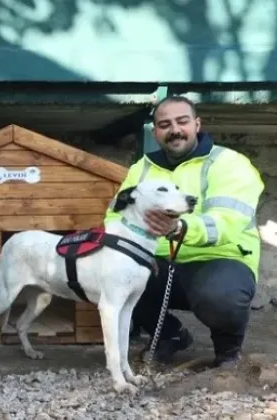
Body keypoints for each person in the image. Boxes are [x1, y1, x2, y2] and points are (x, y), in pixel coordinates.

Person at [104, 95, 263, 368]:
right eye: (164, 124)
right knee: (107, 272)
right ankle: (170, 336)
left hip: (219, 259)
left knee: (220, 295)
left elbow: (228, 221)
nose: (174, 129)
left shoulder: (229, 163)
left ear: (197, 124)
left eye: (182, 121)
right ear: (155, 132)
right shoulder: (142, 168)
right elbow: (115, 216)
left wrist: (180, 228)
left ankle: (228, 353)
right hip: (159, 259)